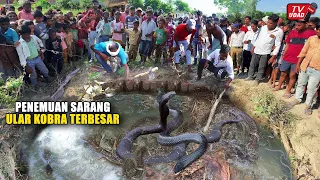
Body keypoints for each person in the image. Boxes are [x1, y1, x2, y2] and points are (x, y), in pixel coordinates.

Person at [273, 20, 316, 98]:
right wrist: (284, 55)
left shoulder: (311, 34)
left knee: (292, 75)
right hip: (287, 57)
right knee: (283, 73)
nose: (296, 27)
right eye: (296, 25)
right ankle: (279, 86)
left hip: (298, 60)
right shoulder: (292, 33)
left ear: (305, 25)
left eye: (299, 25)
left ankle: (288, 90)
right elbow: (288, 45)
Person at [289, 23, 320, 115]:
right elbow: (303, 51)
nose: (317, 31)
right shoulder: (311, 39)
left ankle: (308, 105)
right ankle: (297, 99)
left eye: (319, 29)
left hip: (317, 70)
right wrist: (298, 64)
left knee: (311, 88)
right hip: (305, 66)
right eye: (317, 29)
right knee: (300, 84)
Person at [246, 14, 284, 86]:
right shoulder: (263, 28)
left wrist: (273, 56)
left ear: (276, 23)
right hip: (257, 49)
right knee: (252, 64)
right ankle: (250, 76)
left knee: (261, 66)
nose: (269, 24)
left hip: (266, 52)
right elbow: (258, 38)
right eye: (268, 22)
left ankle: (258, 79)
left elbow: (277, 45)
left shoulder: (279, 31)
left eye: (271, 23)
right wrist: (254, 47)